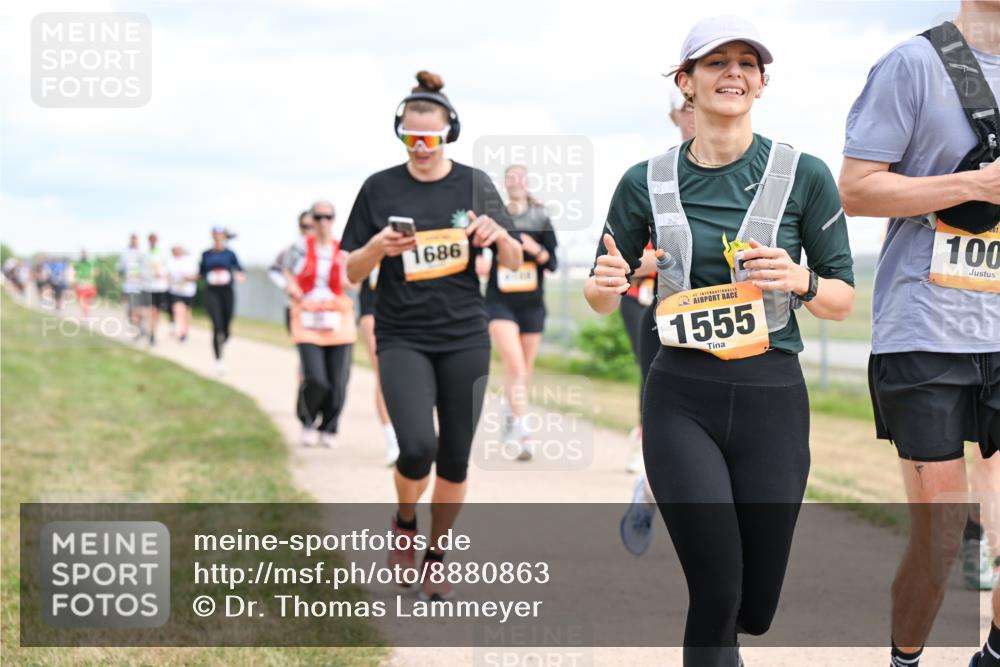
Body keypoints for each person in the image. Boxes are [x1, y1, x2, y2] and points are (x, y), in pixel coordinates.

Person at [586, 16, 855, 666]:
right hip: (681, 396)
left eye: (746, 63)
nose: (732, 72)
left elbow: (841, 300)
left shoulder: (806, 174)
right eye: (715, 62)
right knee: (715, 589)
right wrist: (607, 281)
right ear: (686, 82)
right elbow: (601, 293)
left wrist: (800, 277)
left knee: (753, 606)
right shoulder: (642, 180)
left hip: (772, 397)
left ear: (762, 83)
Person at [836, 4, 1000, 666]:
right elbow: (857, 189)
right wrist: (975, 184)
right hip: (925, 329)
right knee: (940, 537)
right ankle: (905, 658)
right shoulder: (914, 63)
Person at [342, 70, 522, 601]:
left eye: (431, 138)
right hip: (402, 335)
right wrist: (376, 249)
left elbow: (513, 259)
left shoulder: (473, 184)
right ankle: (403, 522)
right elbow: (352, 272)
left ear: (449, 134)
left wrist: (499, 237)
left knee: (456, 456)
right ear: (400, 133)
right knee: (418, 446)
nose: (421, 149)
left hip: (465, 334)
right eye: (411, 138)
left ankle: (437, 552)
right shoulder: (379, 187)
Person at [620, 90, 697, 557]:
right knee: (665, 416)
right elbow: (626, 259)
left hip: (734, 317)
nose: (696, 115)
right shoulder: (655, 178)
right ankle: (649, 489)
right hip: (664, 316)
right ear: (675, 114)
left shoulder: (753, 173)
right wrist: (661, 259)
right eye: (687, 107)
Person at [484, 164, 558, 461]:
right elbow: (479, 247)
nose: (514, 182)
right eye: (509, 178)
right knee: (514, 367)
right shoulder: (496, 216)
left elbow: (552, 262)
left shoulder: (540, 217)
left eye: (519, 178)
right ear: (505, 184)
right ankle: (526, 434)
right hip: (499, 301)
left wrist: (534, 249)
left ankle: (508, 409)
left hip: (531, 303)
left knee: (523, 372)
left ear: (527, 183)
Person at [281, 201, 356, 448]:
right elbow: (284, 269)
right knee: (315, 377)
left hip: (337, 317)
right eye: (318, 217)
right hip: (307, 317)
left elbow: (356, 278)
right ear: (311, 220)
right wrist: (291, 286)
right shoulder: (298, 248)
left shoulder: (343, 250)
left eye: (328, 217)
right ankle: (307, 419)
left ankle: (330, 427)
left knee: (338, 380)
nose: (323, 222)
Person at [357, 257, 400, 465]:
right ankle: (392, 439)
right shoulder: (368, 229)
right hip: (372, 307)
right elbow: (351, 276)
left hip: (407, 308)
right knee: (383, 370)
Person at [199, 226, 245, 374]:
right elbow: (201, 273)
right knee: (216, 325)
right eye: (216, 235)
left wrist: (239, 275)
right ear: (213, 237)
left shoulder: (230, 254)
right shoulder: (206, 254)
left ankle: (224, 338)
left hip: (226, 292)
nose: (218, 238)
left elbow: (239, 269)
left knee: (226, 325)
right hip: (212, 292)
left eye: (221, 235)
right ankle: (218, 360)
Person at [142, 233, 170, 345]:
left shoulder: (162, 254)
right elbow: (141, 270)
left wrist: (162, 275)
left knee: (156, 311)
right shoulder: (145, 255)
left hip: (159, 287)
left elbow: (167, 269)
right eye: (151, 239)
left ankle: (153, 333)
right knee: (149, 311)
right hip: (148, 286)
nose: (152, 241)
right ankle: (149, 331)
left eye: (154, 239)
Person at [118, 234, 148, 339]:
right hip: (128, 287)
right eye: (132, 240)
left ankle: (139, 330)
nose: (134, 242)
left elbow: (147, 271)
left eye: (135, 240)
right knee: (129, 311)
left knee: (137, 310)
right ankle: (140, 328)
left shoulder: (143, 254)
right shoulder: (124, 254)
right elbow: (120, 269)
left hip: (140, 287)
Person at [168, 245, 198, 342]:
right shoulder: (171, 261)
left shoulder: (190, 261)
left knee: (187, 312)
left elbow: (196, 275)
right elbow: (168, 275)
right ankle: (179, 330)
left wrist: (187, 278)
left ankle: (185, 331)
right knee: (178, 309)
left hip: (188, 291)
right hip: (176, 291)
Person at [71, 250, 98, 319]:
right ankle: (85, 315)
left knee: (88, 301)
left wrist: (92, 275)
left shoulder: (91, 263)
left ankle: (86, 314)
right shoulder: (77, 264)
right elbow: (73, 272)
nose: (83, 256)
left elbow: (95, 271)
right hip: (81, 285)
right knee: (82, 301)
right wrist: (74, 281)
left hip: (90, 285)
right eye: (82, 254)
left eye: (84, 254)